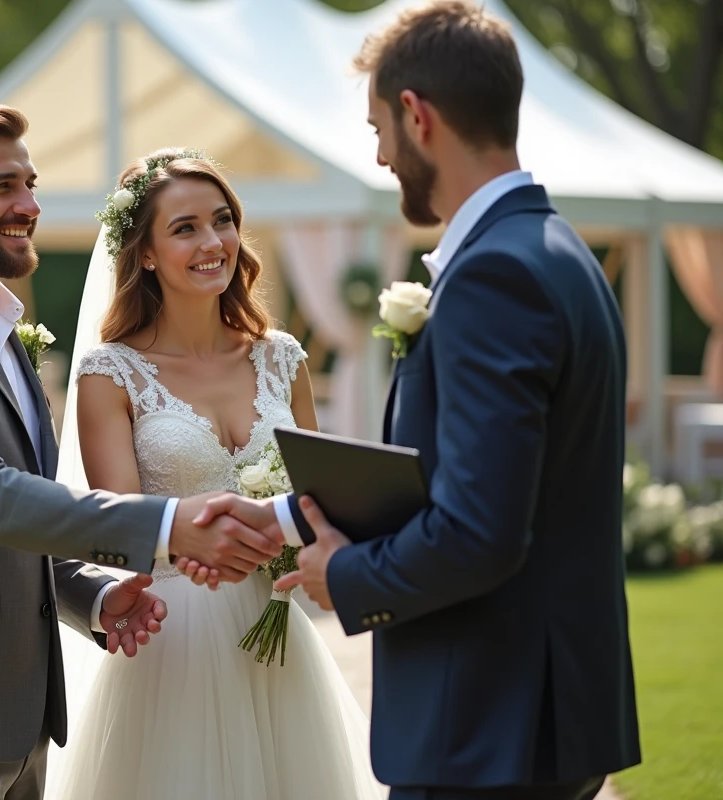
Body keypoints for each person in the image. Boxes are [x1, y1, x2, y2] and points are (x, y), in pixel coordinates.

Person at [207, 3, 642, 799]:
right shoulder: (557, 250)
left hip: (488, 724)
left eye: (379, 128)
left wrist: (348, 576)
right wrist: (283, 519)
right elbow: (464, 475)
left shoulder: (493, 277)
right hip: (545, 716)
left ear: (418, 114)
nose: (379, 156)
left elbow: (478, 531)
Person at [0, 100, 284, 800]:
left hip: (18, 714)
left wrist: (91, 597)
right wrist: (167, 525)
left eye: (30, 184)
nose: (29, 205)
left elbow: (18, 523)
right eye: (2, 187)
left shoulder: (5, 333)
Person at [45, 147, 385, 800]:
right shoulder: (108, 375)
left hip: (276, 637)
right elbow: (117, 530)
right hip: (170, 644)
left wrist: (284, 539)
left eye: (222, 220)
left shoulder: (282, 359)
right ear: (143, 252)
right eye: (185, 228)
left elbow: (317, 503)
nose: (213, 242)